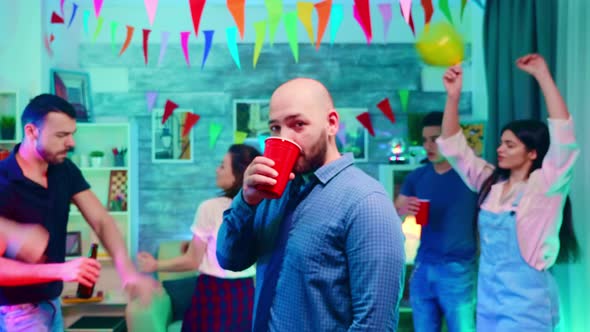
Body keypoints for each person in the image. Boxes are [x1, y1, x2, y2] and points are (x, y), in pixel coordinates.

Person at [216, 78, 406, 331]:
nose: (285, 138)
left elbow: (375, 324)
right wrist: (246, 201)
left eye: (298, 124)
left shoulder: (366, 202)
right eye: (275, 128)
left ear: (331, 124)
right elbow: (230, 259)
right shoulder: (274, 192)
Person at [438, 54, 580, 330]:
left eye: (510, 145)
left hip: (528, 305)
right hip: (489, 302)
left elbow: (564, 137)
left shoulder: (545, 187)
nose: (500, 149)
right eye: (501, 143)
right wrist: (452, 97)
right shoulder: (491, 184)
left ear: (533, 152)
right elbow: (455, 149)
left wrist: (542, 75)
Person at [0, 94, 158, 332]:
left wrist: (127, 271)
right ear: (32, 131)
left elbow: (102, 221)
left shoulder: (63, 169)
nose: (71, 143)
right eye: (62, 135)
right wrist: (60, 270)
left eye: (72, 134)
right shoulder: (4, 181)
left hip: (51, 303)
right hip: (16, 311)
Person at [136, 144, 260, 332]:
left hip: (214, 292)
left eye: (222, 166)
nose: (217, 170)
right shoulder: (264, 207)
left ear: (239, 174)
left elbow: (192, 261)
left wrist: (155, 265)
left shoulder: (210, 207)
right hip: (245, 292)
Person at [395, 111, 477, 332]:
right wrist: (401, 211)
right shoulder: (417, 176)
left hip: (458, 267)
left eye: (435, 139)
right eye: (425, 140)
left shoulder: (471, 175)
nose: (428, 145)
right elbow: (395, 215)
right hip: (423, 265)